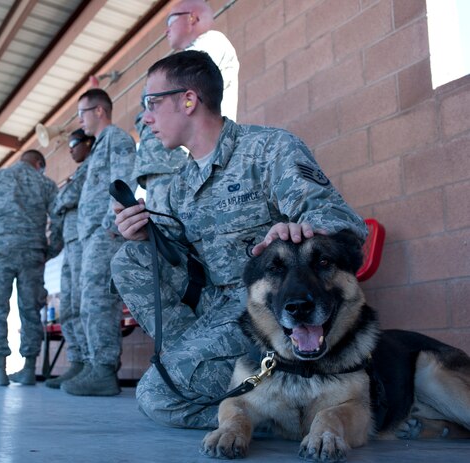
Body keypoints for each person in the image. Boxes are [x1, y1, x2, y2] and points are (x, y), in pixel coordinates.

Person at [111, 50, 367, 428]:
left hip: (264, 309)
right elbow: (185, 262)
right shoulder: (181, 183)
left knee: (156, 395)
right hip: (214, 308)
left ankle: (263, 415)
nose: (145, 118)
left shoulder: (267, 149)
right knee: (128, 257)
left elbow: (343, 223)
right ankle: (201, 367)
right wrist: (143, 232)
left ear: (188, 100)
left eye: (152, 102)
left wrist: (297, 230)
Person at [60, 89, 136, 396]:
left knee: (99, 300)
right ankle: (93, 365)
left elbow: (122, 182)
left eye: (82, 113)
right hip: (90, 236)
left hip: (105, 234)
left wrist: (109, 227)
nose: (80, 120)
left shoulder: (116, 139)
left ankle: (104, 370)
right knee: (87, 302)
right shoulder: (99, 148)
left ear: (99, 111)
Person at [0, 150, 62, 386]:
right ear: (39, 165)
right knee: (30, 310)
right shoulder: (46, 184)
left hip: (0, 252)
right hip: (33, 254)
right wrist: (51, 249)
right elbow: (59, 218)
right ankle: (28, 370)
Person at [132, 0, 239, 215]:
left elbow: (181, 84)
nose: (166, 30)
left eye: (171, 20)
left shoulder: (211, 42)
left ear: (192, 18)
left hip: (182, 160)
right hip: (169, 165)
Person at [45, 129, 95, 389]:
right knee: (69, 308)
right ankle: (77, 362)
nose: (71, 149)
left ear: (88, 142)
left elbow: (66, 198)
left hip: (83, 242)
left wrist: (61, 200)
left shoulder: (93, 165)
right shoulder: (79, 171)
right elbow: (61, 202)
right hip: (70, 244)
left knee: (82, 305)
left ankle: (90, 363)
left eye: (74, 143)